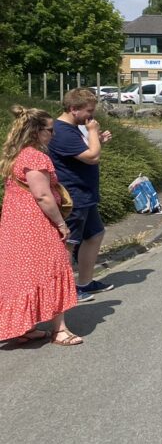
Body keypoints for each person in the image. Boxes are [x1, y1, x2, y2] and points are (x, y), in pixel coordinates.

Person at [0, 106, 81, 346]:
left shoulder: (16, 155)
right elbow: (43, 196)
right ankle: (60, 330)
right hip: (35, 224)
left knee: (21, 274)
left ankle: (23, 326)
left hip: (15, 223)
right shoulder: (35, 157)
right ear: (36, 132)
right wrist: (60, 223)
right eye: (49, 130)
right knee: (53, 270)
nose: (53, 134)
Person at [48, 87, 114, 302]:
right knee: (70, 242)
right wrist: (94, 133)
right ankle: (66, 291)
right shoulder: (62, 131)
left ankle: (85, 282)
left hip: (86, 194)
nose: (91, 117)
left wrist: (98, 140)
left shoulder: (74, 128)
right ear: (73, 109)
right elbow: (92, 157)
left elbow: (83, 151)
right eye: (89, 111)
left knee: (95, 235)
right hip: (73, 196)